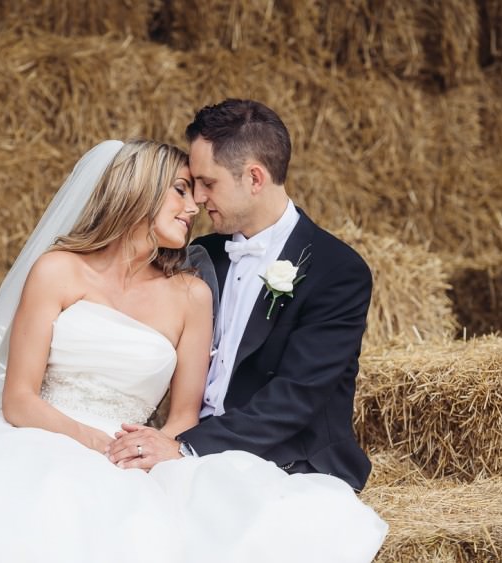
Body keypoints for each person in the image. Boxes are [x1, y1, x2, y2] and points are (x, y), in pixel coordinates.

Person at [0, 139, 386, 562]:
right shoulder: (56, 272)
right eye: (181, 190)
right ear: (135, 195)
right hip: (34, 439)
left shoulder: (192, 293)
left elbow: (184, 412)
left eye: (199, 189)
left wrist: (156, 449)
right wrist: (96, 444)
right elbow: (18, 399)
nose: (194, 204)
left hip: (133, 455)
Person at [110, 99, 375, 492]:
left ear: (254, 178)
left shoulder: (337, 271)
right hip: (181, 443)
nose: (197, 198)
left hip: (288, 463)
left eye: (208, 183)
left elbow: (295, 398)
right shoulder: (203, 253)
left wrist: (184, 448)